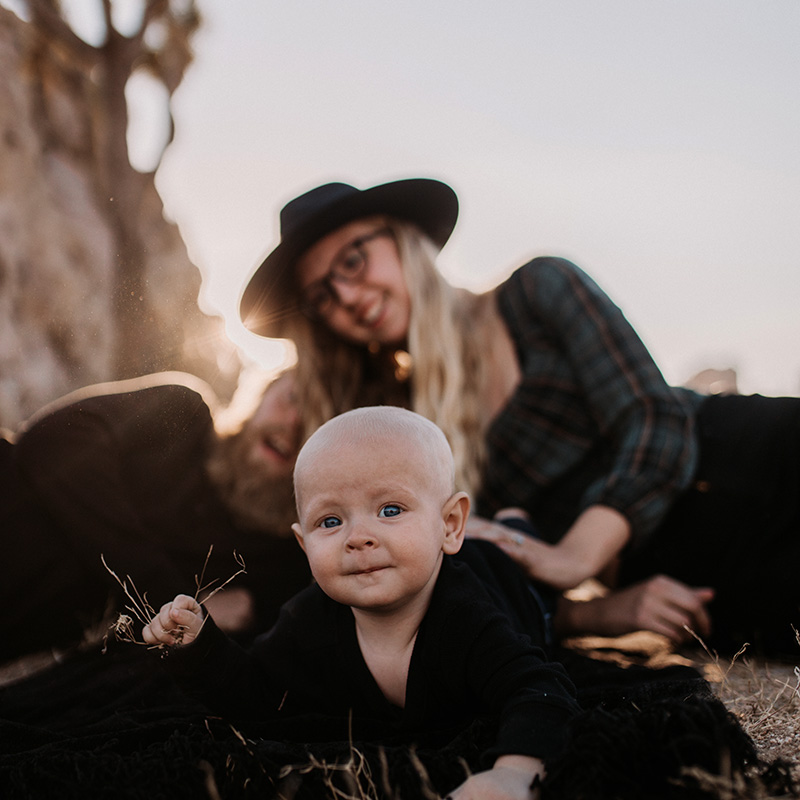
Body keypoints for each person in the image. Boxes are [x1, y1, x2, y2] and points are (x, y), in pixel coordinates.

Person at [237, 177, 800, 654]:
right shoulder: (400, 428)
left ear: (401, 237)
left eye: (353, 261)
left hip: (757, 458)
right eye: (323, 296)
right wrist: (592, 613)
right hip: (692, 581)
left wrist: (572, 560)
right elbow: (458, 573)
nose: (348, 296)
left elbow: (656, 422)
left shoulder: (536, 290)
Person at [144, 406, 579, 800]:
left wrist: (513, 774)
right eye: (330, 521)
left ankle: (514, 522)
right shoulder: (307, 619)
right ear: (304, 544)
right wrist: (200, 645)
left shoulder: (465, 617)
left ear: (449, 525)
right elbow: (257, 692)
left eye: (390, 510)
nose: (358, 537)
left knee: (543, 598)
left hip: (508, 583)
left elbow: (538, 691)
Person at [0, 370, 311, 663]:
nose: (294, 423)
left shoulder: (281, 558)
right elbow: (54, 443)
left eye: (316, 423)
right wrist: (176, 602)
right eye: (293, 397)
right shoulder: (184, 415)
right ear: (265, 389)